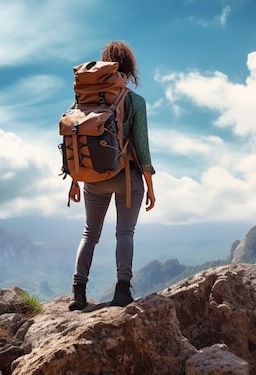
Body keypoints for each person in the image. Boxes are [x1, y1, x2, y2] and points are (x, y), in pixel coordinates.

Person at [68, 41, 156, 311]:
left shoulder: (82, 101)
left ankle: (77, 293)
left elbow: (77, 144)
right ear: (128, 68)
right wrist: (150, 186)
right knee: (124, 233)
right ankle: (121, 292)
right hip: (126, 178)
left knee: (89, 234)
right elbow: (142, 148)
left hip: (92, 178)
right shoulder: (134, 101)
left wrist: (74, 179)